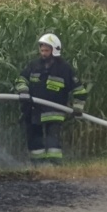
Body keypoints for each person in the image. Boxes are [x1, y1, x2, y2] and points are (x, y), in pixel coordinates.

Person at [15, 34, 88, 165]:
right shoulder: (34, 65)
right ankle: (39, 167)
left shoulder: (64, 69)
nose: (43, 54)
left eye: (46, 51)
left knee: (52, 142)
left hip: (54, 112)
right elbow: (22, 79)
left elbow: (79, 90)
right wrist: (23, 91)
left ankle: (55, 167)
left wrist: (78, 108)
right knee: (34, 141)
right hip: (34, 111)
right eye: (42, 50)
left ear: (54, 51)